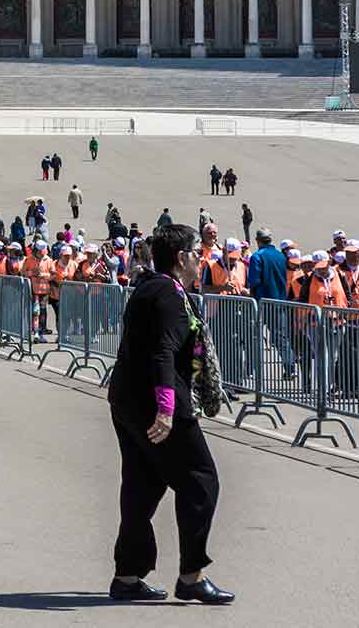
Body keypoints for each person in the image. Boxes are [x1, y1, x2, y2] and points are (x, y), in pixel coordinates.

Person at [104, 222, 233, 605]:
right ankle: (192, 574)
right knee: (201, 480)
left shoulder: (149, 287)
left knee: (143, 485)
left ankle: (127, 575)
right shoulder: (168, 295)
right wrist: (165, 410)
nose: (201, 261)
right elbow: (162, 351)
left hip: (127, 399)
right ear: (181, 258)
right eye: (198, 254)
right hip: (157, 404)